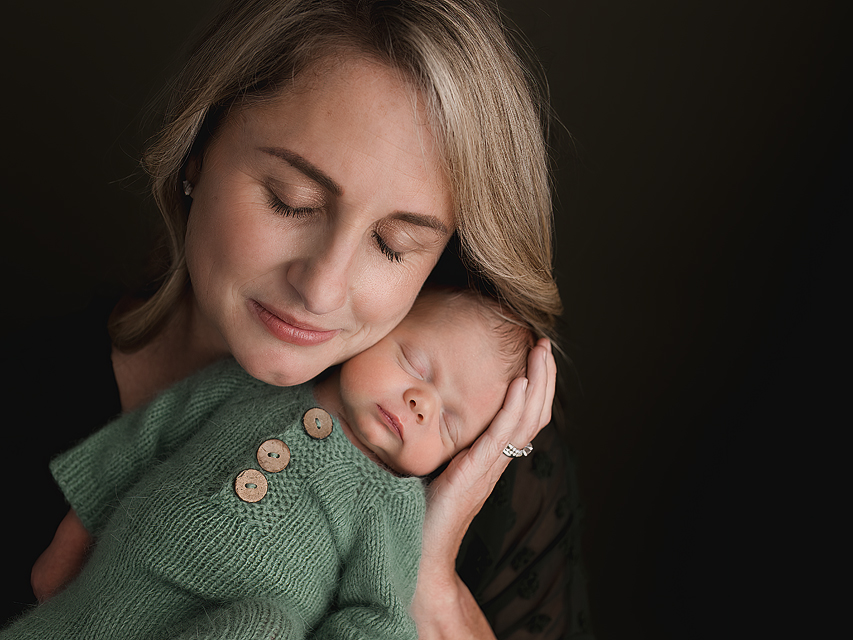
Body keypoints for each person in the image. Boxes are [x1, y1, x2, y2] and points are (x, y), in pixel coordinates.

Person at [9, 1, 592, 638]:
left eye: (393, 244)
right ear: (198, 151)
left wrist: (428, 578)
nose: (320, 288)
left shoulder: (494, 465)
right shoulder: (31, 396)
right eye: (293, 202)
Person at [1, 288, 537, 639]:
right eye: (416, 363)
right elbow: (142, 440)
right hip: (101, 601)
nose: (423, 404)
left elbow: (376, 619)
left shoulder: (390, 507)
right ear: (373, 331)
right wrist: (71, 539)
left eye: (449, 424)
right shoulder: (253, 380)